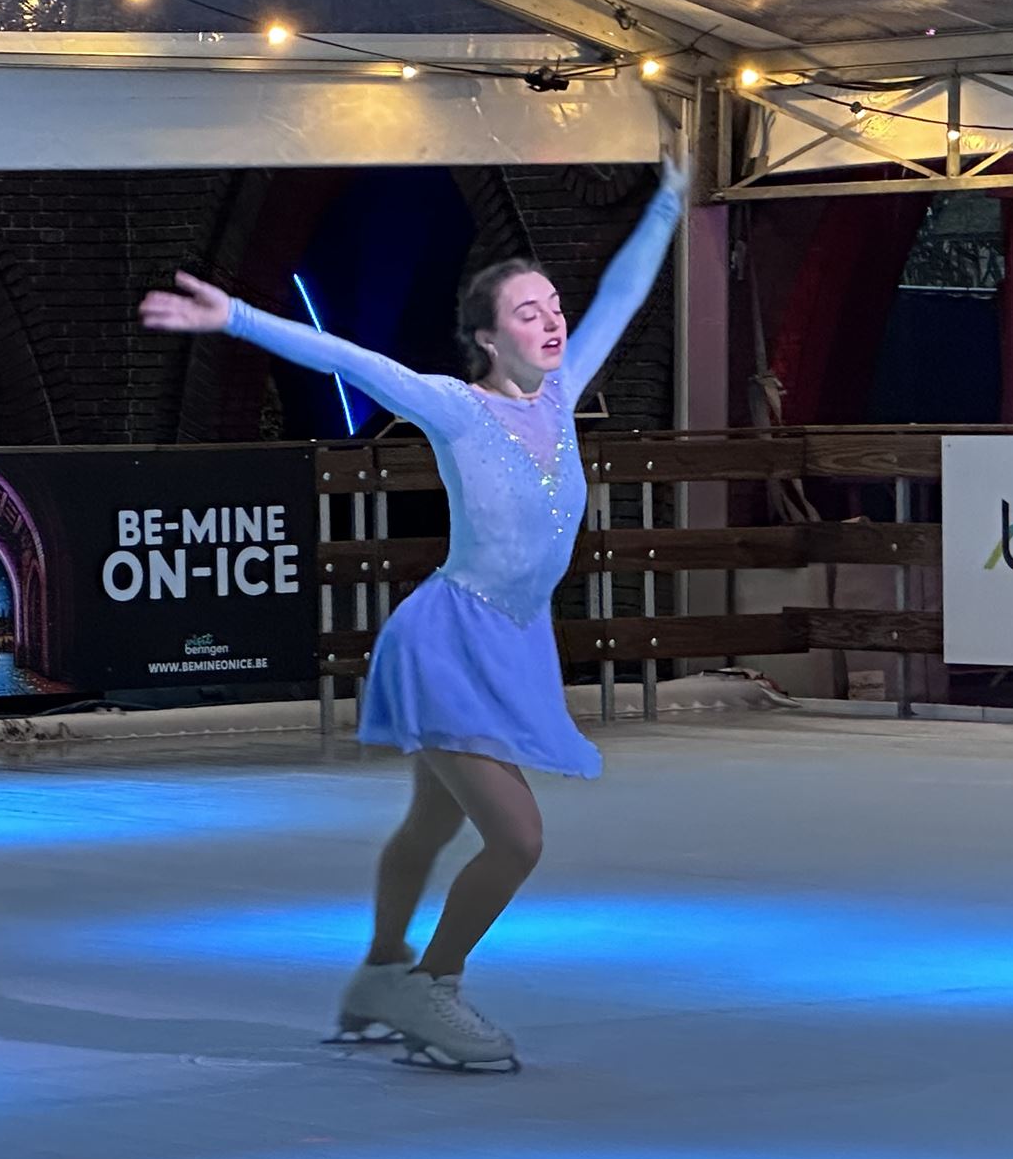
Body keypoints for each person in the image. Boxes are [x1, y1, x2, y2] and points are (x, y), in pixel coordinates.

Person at [138, 155, 688, 1071]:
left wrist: (669, 200)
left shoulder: (561, 396)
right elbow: (348, 358)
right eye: (529, 313)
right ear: (487, 339)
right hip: (446, 642)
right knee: (517, 838)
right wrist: (234, 317)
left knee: (433, 823)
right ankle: (432, 984)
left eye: (554, 307)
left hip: (514, 643)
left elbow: (623, 295)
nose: (554, 321)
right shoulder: (455, 408)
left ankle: (381, 969)